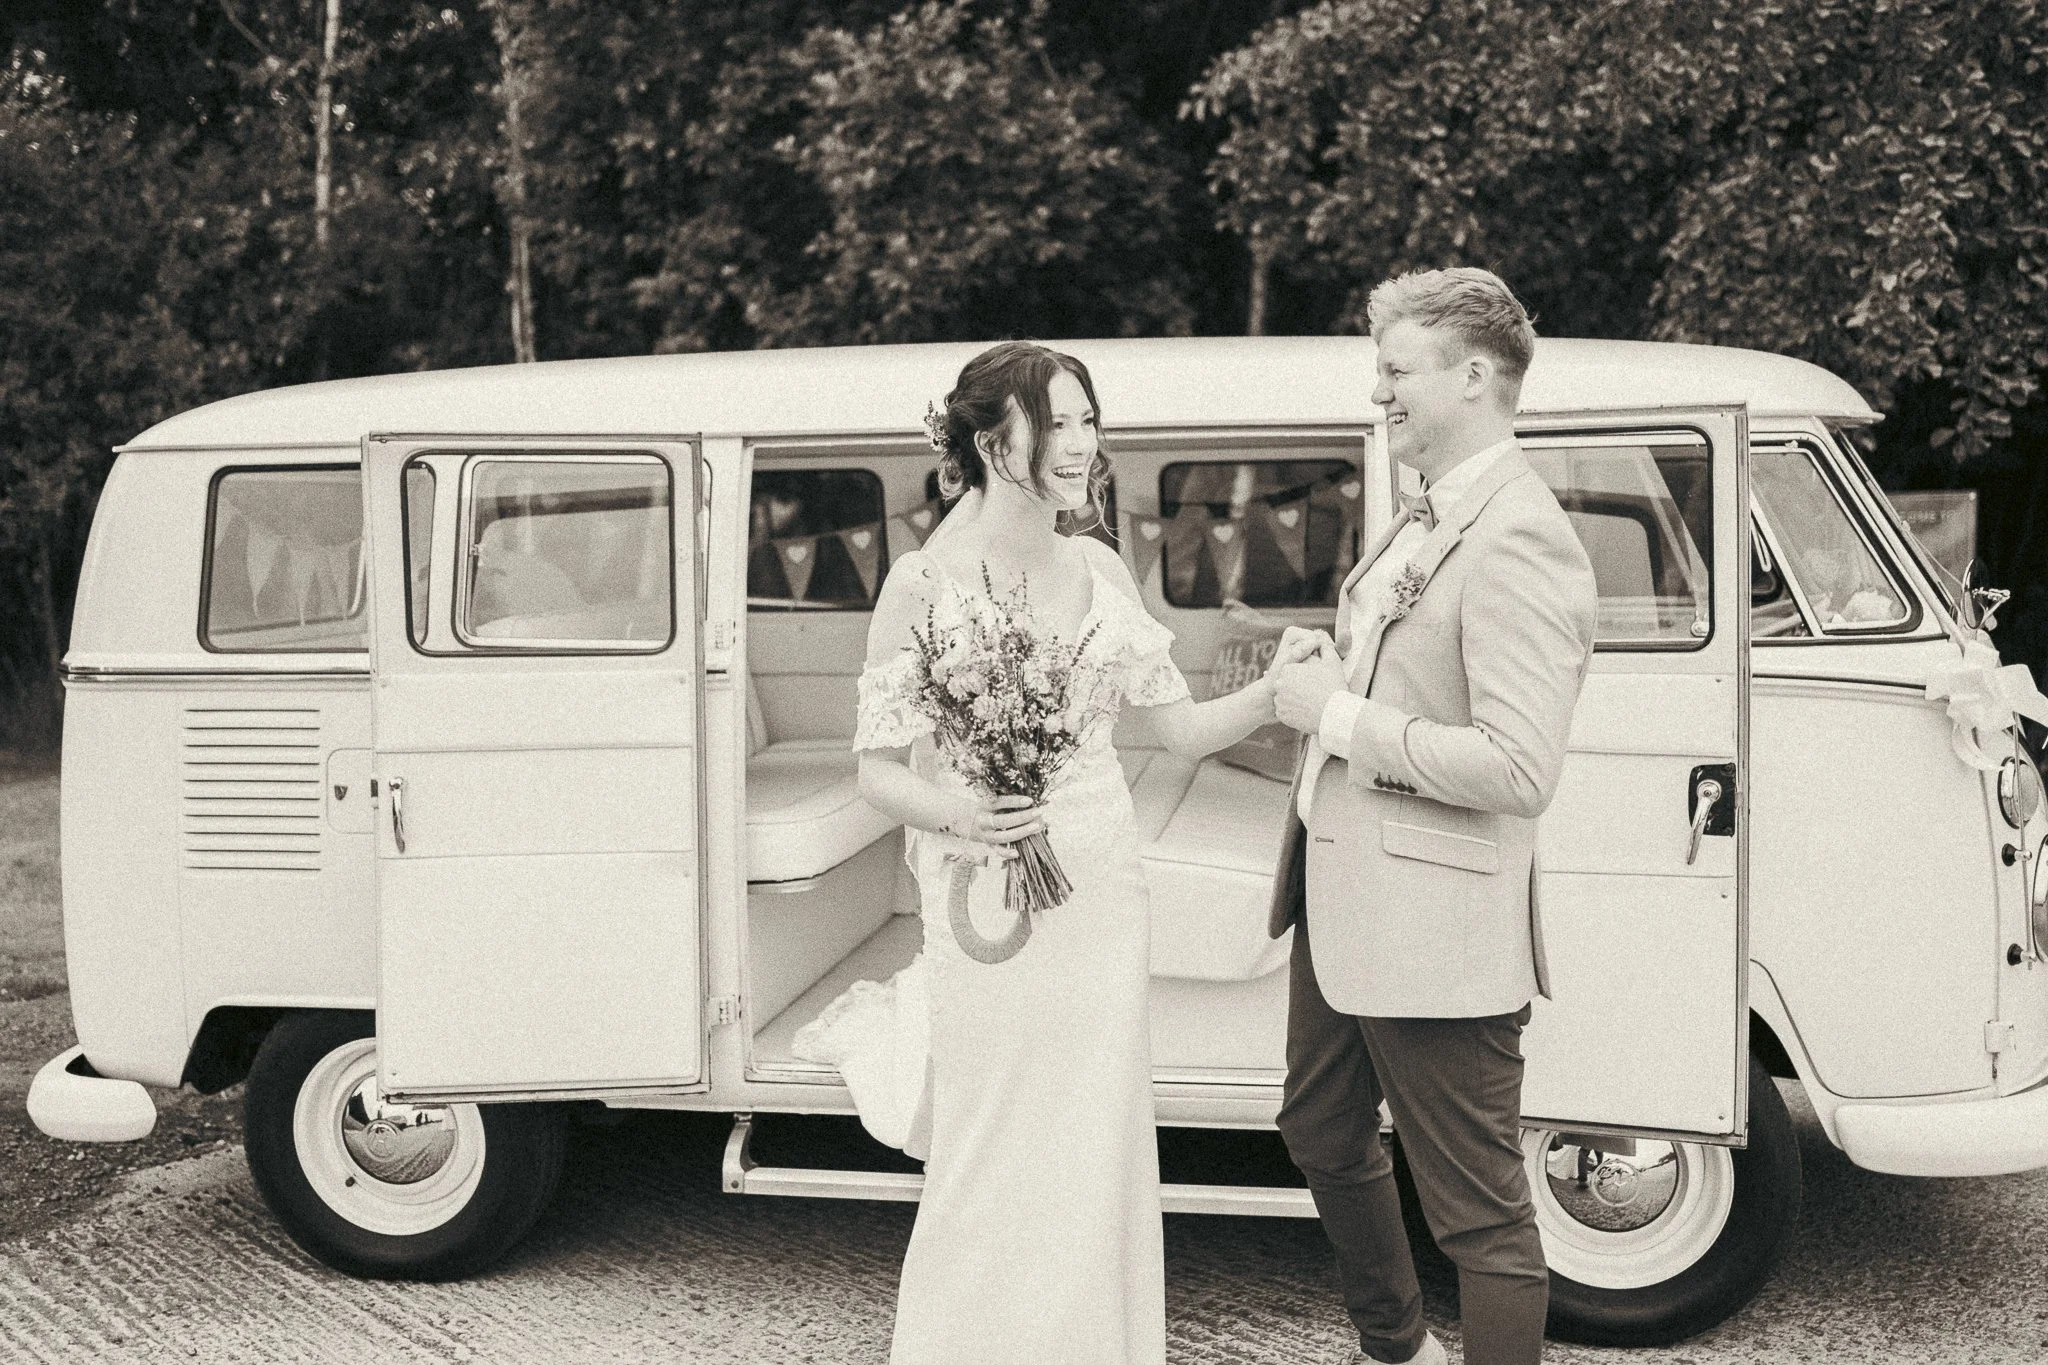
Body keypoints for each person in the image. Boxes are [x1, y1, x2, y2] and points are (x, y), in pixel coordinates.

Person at [794, 340, 1279, 1364]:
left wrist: (1283, 695)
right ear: (985, 439)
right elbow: (877, 770)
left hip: (1099, 884)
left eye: (1086, 420)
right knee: (991, 1129)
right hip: (979, 890)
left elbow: (1178, 730)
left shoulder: (1099, 564)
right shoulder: (921, 584)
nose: (1078, 444)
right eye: (1054, 421)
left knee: (1091, 1128)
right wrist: (960, 817)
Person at [1266, 268, 1599, 1365]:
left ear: (1470, 374)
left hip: (1434, 923)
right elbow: (1406, 672)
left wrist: (1342, 719)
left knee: (1479, 1216)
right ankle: (1395, 1348)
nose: (1377, 393)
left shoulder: (1518, 535)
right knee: (1317, 1130)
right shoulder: (1424, 513)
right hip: (1342, 903)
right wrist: (1332, 664)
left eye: (1394, 370)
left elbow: (1517, 767)